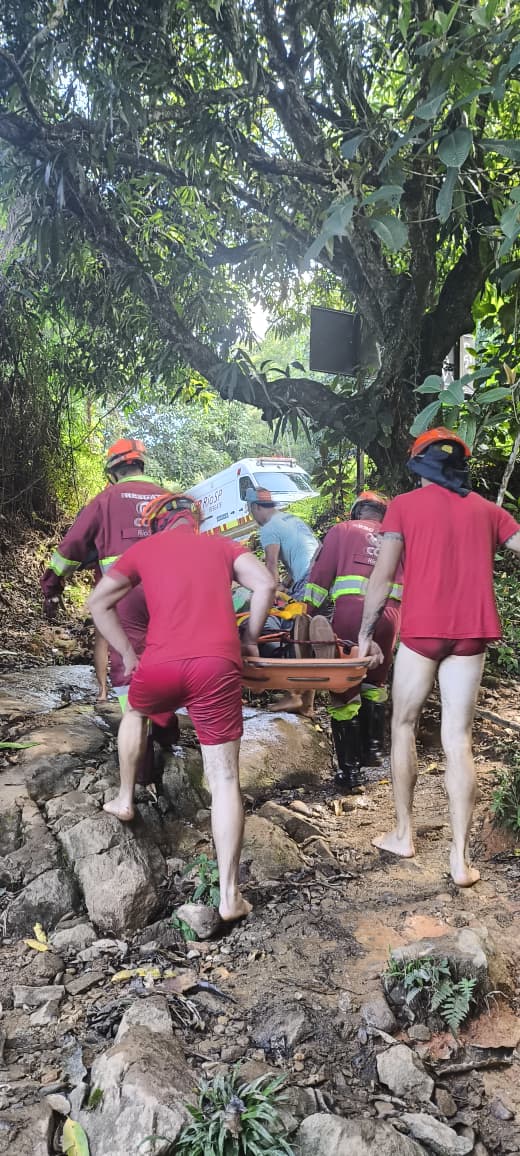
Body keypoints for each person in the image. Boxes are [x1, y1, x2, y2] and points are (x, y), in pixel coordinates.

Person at [89, 492, 275, 923]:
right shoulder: (222, 546)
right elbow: (265, 582)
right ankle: (229, 896)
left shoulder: (141, 551)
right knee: (225, 778)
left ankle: (123, 799)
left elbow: (98, 603)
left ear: (156, 523)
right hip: (216, 665)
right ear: (195, 520)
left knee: (135, 713)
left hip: (158, 665)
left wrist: (127, 653)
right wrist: (249, 636)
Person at [357, 427, 520, 887]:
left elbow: (383, 575)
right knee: (458, 738)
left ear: (418, 464)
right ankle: (461, 860)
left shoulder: (403, 507)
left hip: (422, 633)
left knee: (403, 724)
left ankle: (404, 833)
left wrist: (366, 635)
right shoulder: (488, 510)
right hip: (472, 634)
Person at [41, 439, 176, 774]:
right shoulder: (170, 500)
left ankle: (140, 760)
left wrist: (52, 586)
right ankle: (166, 726)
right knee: (166, 657)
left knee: (128, 662)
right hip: (169, 590)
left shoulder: (105, 499)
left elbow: (72, 547)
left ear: (113, 471)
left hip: (124, 594)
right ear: (141, 466)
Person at [305, 492, 403, 790]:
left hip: (352, 612)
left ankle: (350, 773)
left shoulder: (342, 531)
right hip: (391, 615)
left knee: (343, 687)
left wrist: (305, 614)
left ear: (356, 511)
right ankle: (372, 752)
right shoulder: (396, 536)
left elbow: (320, 576)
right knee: (375, 681)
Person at [246, 486, 319, 714]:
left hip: (306, 580)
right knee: (308, 640)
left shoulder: (268, 528)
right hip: (320, 576)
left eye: (251, 511)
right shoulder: (291, 519)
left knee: (294, 638)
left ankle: (293, 695)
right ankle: (306, 703)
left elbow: (271, 565)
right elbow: (301, 556)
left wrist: (267, 597)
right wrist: (285, 585)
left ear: (256, 507)